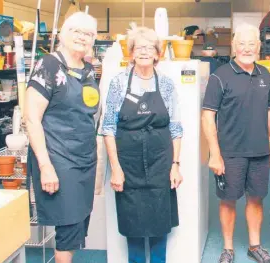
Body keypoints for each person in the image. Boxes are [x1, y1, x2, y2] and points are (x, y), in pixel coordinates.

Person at [101, 25, 183, 263]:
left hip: (161, 161)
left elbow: (176, 128)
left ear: (158, 53)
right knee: (132, 223)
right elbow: (108, 129)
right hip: (128, 164)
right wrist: (115, 168)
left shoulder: (166, 85)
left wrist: (175, 164)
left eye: (150, 47)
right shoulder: (118, 83)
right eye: (139, 47)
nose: (144, 52)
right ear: (131, 52)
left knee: (160, 222)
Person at [24, 12, 99, 263]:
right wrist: (45, 166)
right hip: (58, 159)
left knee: (77, 225)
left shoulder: (88, 69)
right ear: (62, 34)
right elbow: (32, 118)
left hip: (85, 160)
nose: (82, 37)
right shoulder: (48, 65)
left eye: (88, 34)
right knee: (67, 230)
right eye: (77, 31)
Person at [201, 23, 270, 263]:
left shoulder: (266, 74)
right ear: (234, 47)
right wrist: (215, 153)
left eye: (251, 44)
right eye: (241, 43)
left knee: (256, 198)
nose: (246, 48)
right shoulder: (219, 76)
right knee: (228, 199)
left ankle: (255, 246)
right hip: (230, 152)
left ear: (258, 47)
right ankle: (227, 249)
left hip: (259, 152)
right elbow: (207, 116)